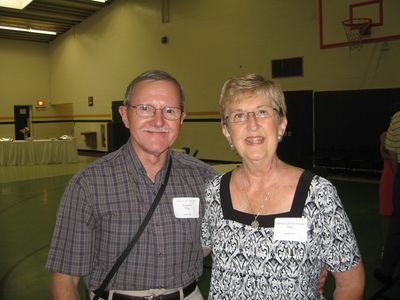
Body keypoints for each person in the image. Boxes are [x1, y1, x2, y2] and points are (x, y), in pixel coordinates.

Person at [46, 70, 217, 300]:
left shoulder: (204, 178)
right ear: (125, 115)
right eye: (145, 108)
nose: (158, 121)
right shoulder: (88, 185)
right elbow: (65, 278)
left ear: (182, 118)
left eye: (170, 111)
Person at [201, 74, 365, 299]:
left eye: (262, 112)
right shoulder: (214, 192)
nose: (252, 124)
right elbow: (195, 251)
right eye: (239, 115)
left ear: (281, 124)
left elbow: (350, 283)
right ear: (227, 131)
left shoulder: (317, 194)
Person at [374, 109, 400, 284]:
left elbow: (389, 152)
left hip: (394, 173)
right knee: (388, 214)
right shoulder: (387, 132)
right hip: (389, 174)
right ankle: (387, 252)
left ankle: (387, 267)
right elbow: (385, 153)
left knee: (395, 220)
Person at [378, 130, 394, 253]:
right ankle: (386, 246)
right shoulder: (385, 135)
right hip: (389, 176)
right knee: (386, 212)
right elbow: (384, 154)